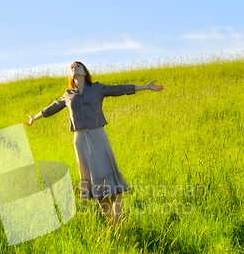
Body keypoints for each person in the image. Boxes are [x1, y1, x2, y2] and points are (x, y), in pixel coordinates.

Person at [25, 61, 164, 223]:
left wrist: (146, 87)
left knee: (112, 178)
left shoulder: (97, 88)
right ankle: (113, 223)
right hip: (81, 141)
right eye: (71, 67)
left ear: (85, 72)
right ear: (71, 75)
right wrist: (34, 118)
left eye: (78, 66)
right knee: (94, 184)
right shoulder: (68, 95)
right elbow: (52, 108)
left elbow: (119, 89)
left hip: (98, 136)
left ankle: (117, 215)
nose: (74, 67)